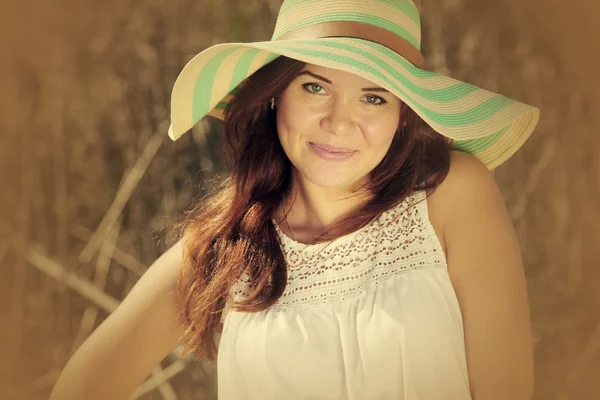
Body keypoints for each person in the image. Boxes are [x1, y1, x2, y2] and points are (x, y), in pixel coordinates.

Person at [49, 0, 540, 399]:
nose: (339, 122)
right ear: (274, 95)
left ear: (403, 115)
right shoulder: (224, 246)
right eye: (314, 86)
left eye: (374, 97)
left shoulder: (452, 194)